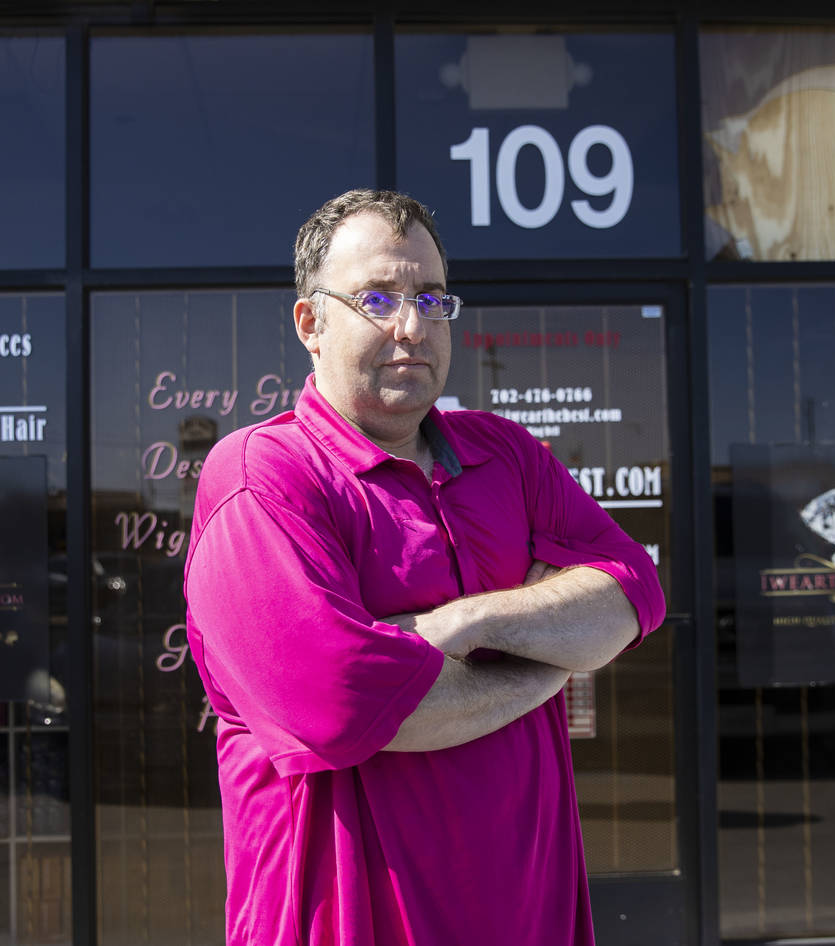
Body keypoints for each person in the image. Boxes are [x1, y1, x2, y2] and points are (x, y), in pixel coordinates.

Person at [183, 189, 665, 945]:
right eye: (378, 298)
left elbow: (633, 594)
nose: (412, 326)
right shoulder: (261, 475)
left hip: (528, 916)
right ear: (311, 323)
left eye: (433, 299)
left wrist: (467, 621)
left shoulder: (502, 453)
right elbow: (345, 704)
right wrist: (549, 663)